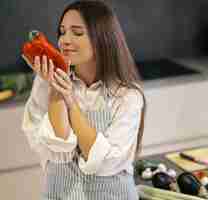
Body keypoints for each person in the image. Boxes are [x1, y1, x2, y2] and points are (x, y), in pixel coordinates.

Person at [21, 0, 146, 199]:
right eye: (62, 32)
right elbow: (56, 153)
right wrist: (55, 88)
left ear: (103, 39)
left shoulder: (127, 96)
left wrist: (71, 102)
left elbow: (103, 163)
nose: (64, 40)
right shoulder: (47, 81)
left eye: (77, 33)